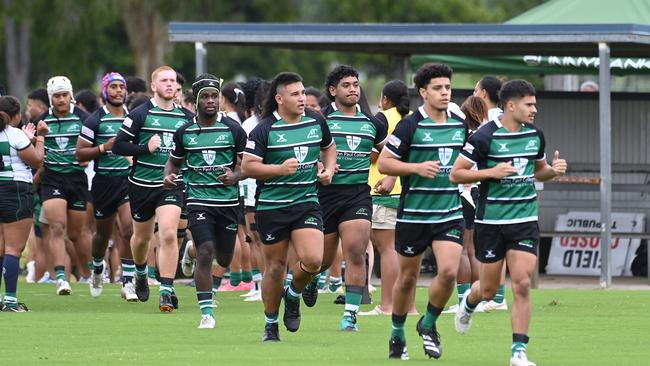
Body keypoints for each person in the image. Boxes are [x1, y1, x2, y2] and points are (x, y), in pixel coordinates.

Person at [450, 79, 567, 366]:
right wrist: (491, 172)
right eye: (529, 104)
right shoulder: (483, 137)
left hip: (525, 219)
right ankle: (468, 303)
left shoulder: (535, 136)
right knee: (488, 290)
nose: (534, 109)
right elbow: (456, 174)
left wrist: (554, 172)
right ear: (511, 105)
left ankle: (518, 352)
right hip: (491, 223)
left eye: (535, 104)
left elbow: (538, 171)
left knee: (523, 284)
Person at [378, 63, 467, 360]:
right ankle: (397, 332)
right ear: (423, 92)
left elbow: (468, 162)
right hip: (414, 214)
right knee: (407, 279)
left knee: (449, 272)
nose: (445, 93)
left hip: (449, 212)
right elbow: (385, 163)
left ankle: (428, 324)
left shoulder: (458, 123)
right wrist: (415, 167)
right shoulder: (410, 125)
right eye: (438, 88)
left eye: (448, 87)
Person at [241, 71, 336, 342]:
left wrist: (328, 170)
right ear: (279, 98)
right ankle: (271, 323)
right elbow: (248, 167)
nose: (302, 98)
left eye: (303, 92)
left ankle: (293, 294)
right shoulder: (264, 129)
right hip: (272, 206)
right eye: (295, 94)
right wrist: (278, 169)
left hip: (306, 202)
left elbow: (329, 148)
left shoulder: (316, 120)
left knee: (314, 261)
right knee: (274, 269)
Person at [164, 73, 247, 328]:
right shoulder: (185, 132)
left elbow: (248, 165)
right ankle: (207, 312)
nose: (210, 101)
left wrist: (236, 175)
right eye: (205, 97)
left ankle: (187, 251)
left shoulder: (234, 129)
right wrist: (168, 176)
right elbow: (173, 163)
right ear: (197, 100)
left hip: (229, 203)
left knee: (223, 258)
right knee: (205, 251)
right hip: (199, 200)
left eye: (214, 96)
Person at [113, 66, 193, 312]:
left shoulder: (187, 118)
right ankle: (139, 272)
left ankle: (166, 290)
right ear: (153, 86)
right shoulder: (140, 114)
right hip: (141, 185)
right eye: (164, 80)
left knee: (169, 234)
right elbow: (119, 146)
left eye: (173, 81)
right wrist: (145, 148)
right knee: (141, 239)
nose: (170, 84)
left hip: (171, 185)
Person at [315, 65, 388, 331]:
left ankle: (350, 314)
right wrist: (320, 169)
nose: (353, 89)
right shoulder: (318, 120)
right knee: (319, 261)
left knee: (356, 251)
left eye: (356, 85)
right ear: (333, 91)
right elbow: (305, 156)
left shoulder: (372, 122)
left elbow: (391, 153)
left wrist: (390, 177)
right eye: (346, 85)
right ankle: (308, 281)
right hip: (323, 196)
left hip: (357, 195)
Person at [76, 72, 137, 301]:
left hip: (128, 180)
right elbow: (79, 153)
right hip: (103, 182)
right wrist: (104, 148)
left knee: (129, 229)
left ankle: (128, 281)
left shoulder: (134, 118)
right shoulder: (95, 120)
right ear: (105, 91)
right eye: (114, 87)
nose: (119, 91)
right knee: (101, 234)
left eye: (122, 87)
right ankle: (97, 267)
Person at [359, 79, 415, 316]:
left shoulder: (382, 118)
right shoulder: (414, 118)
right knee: (406, 251)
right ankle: (409, 306)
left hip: (384, 190)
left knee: (387, 249)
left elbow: (373, 155)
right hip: (411, 189)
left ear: (385, 99)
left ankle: (388, 305)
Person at [38, 76, 90, 295]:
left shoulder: (84, 119)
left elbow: (94, 143)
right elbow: (31, 146)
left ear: (71, 95)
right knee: (57, 227)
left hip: (77, 178)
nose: (61, 100)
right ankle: (61, 277)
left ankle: (89, 274)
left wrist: (88, 155)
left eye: (64, 95)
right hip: (52, 178)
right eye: (57, 96)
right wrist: (38, 138)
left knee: (77, 234)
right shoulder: (42, 120)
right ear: (51, 99)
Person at [0, 96, 47, 311]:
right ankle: (10, 300)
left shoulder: (16, 135)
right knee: (13, 248)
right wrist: (40, 139)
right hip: (16, 190)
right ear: (16, 116)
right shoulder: (16, 134)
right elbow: (37, 160)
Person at [442, 95, 488, 315]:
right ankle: (476, 300)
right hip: (477, 192)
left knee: (461, 251)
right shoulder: (480, 136)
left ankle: (463, 300)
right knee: (472, 250)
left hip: (463, 193)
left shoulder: (460, 136)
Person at [473, 76, 509, 312]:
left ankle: (494, 297)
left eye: (476, 89)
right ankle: (497, 297)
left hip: (485, 188)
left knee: (488, 244)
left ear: (484, 93)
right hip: (504, 190)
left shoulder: (487, 122)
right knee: (499, 244)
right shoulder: (507, 118)